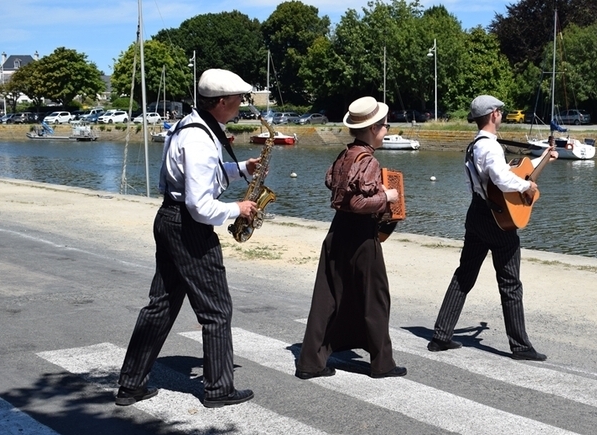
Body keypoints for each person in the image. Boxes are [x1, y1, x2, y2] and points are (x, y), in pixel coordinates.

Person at [116, 69, 261, 408]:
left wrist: (240, 169)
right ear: (222, 101)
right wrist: (237, 209)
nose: (241, 104)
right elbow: (199, 205)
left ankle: (131, 384)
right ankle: (219, 389)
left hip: (170, 219)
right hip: (188, 227)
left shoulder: (188, 126)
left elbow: (196, 178)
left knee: (161, 306)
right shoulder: (199, 139)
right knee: (216, 310)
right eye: (238, 99)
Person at [427, 95, 557, 361]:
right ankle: (520, 346)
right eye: (500, 111)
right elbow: (501, 178)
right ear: (494, 114)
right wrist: (526, 186)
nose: (502, 114)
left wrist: (543, 158)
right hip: (497, 221)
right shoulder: (491, 148)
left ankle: (441, 335)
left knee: (464, 275)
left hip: (476, 213)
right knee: (510, 283)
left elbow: (504, 175)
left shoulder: (474, 146)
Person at [296, 96, 407, 380]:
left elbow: (333, 185)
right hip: (360, 236)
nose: (386, 130)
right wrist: (387, 196)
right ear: (372, 129)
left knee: (327, 296)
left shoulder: (345, 155)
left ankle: (310, 361)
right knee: (375, 297)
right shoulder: (368, 159)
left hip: (337, 232)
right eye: (384, 126)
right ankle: (382, 363)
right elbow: (358, 204)